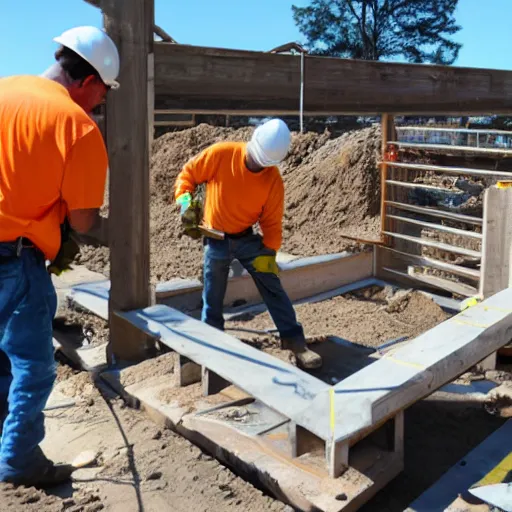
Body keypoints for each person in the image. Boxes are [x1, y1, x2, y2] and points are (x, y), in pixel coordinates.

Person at [0, 26, 119, 486]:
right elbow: (86, 221)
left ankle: (5, 440)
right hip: (17, 257)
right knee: (32, 367)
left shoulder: (5, 89)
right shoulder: (77, 126)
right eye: (103, 95)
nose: (100, 104)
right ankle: (19, 460)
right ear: (88, 81)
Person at [174, 119, 322, 370]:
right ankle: (212, 344)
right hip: (216, 236)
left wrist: (270, 253)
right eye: (255, 160)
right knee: (213, 293)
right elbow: (187, 176)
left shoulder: (273, 180)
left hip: (246, 238)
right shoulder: (221, 154)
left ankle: (295, 341)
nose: (257, 166)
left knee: (272, 285)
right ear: (251, 144)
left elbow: (272, 222)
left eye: (262, 164)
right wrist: (186, 204)